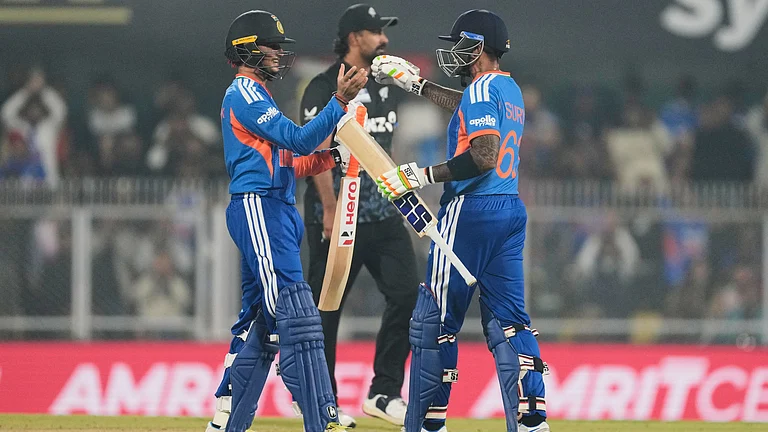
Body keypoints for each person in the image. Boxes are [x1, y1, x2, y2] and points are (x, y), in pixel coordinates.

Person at [371, 9, 550, 432]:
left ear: (478, 47)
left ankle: (430, 422)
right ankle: (531, 420)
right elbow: (468, 107)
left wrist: (423, 174)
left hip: (470, 213)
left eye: (460, 45)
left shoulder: (483, 89)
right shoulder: (508, 89)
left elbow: (484, 155)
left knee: (434, 322)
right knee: (511, 322)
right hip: (508, 210)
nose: (454, 52)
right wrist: (416, 85)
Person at [205, 10, 367, 432]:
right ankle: (318, 413)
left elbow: (289, 163)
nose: (278, 54)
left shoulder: (258, 95)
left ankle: (227, 414)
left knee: (261, 317)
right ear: (246, 50)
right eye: (270, 46)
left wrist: (332, 158)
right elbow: (297, 140)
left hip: (275, 206)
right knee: (294, 314)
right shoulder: (245, 92)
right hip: (261, 208)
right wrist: (339, 104)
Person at [299, 4, 417, 427]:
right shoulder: (321, 87)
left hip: (383, 216)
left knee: (407, 295)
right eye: (375, 32)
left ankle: (384, 393)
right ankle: (319, 397)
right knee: (325, 309)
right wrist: (329, 208)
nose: (384, 39)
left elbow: (383, 149)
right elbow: (316, 151)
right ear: (353, 37)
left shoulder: (386, 88)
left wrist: (402, 194)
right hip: (336, 217)